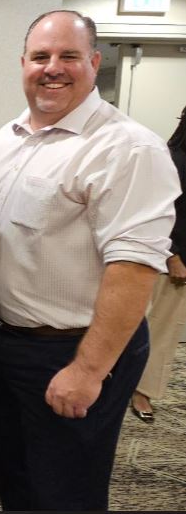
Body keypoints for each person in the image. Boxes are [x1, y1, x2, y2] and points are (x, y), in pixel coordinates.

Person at [0, 10, 180, 510]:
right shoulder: (8, 136)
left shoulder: (128, 148)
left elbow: (133, 268)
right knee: (18, 481)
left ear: (95, 62)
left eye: (68, 56)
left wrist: (88, 370)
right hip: (9, 342)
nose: (52, 68)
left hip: (75, 348)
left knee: (65, 493)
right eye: (40, 56)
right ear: (23, 63)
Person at [131, 104, 186, 423]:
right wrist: (172, 255)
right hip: (168, 259)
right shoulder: (174, 160)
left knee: (166, 328)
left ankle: (142, 388)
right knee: (156, 327)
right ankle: (139, 391)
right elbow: (158, 211)